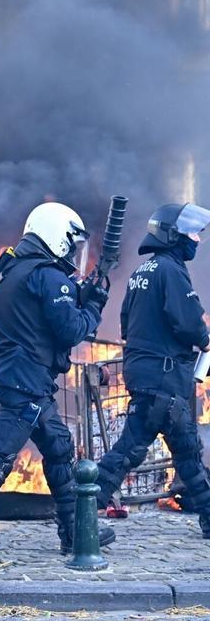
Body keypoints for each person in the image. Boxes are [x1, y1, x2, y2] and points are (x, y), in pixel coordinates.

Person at [0, 202, 117, 566]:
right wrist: (94, 306)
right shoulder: (49, 276)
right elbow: (71, 331)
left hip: (22, 380)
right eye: (71, 242)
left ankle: (75, 533)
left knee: (58, 448)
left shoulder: (9, 271)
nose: (72, 252)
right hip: (27, 382)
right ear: (56, 236)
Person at [95, 203, 210, 539]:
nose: (196, 240)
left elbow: (127, 324)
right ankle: (78, 518)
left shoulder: (142, 271)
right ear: (172, 235)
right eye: (191, 233)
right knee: (132, 450)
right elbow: (189, 323)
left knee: (183, 451)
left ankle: (209, 518)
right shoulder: (172, 271)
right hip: (163, 380)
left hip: (147, 376)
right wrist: (205, 340)